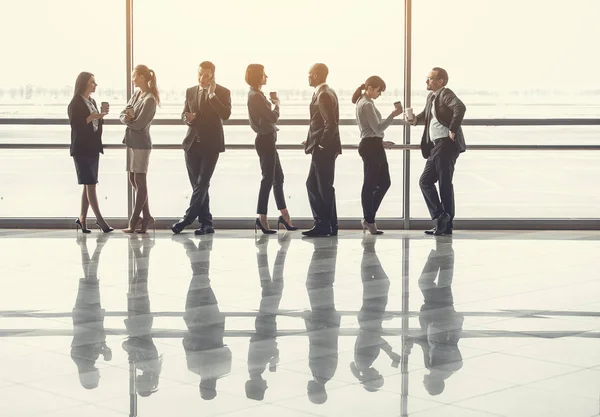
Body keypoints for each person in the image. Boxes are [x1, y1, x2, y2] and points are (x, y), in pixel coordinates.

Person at [172, 61, 232, 235]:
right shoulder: (190, 91)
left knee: (202, 183)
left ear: (212, 75)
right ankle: (207, 223)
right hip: (191, 145)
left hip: (211, 145)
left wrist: (212, 95)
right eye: (200, 73)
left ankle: (187, 219)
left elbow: (225, 115)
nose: (202, 77)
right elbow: (184, 113)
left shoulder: (222, 92)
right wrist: (187, 118)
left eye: (206, 75)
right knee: (198, 186)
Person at [406, 67, 467, 235]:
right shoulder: (431, 97)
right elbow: (427, 116)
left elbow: (460, 107)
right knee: (426, 181)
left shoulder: (445, 94)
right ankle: (442, 218)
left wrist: (453, 129)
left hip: (446, 144)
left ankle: (445, 222)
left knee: (444, 183)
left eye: (430, 78)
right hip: (436, 146)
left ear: (440, 81)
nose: (427, 81)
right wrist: (413, 119)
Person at [245, 64, 298, 234]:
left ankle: (284, 215)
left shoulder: (256, 95)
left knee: (278, 177)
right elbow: (273, 117)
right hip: (265, 140)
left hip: (267, 140)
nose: (266, 77)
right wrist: (277, 104)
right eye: (263, 75)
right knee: (268, 178)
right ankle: (262, 217)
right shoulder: (256, 97)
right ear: (257, 76)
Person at [352, 76, 403, 234]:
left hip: (374, 145)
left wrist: (380, 141)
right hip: (371, 147)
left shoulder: (366, 102)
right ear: (370, 88)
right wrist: (393, 115)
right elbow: (377, 128)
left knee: (383, 182)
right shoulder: (366, 104)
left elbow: (373, 131)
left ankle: (369, 218)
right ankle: (369, 220)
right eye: (378, 90)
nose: (380, 94)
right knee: (370, 185)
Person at [68, 72, 113, 233]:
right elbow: (77, 126)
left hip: (92, 148)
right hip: (82, 149)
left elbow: (95, 126)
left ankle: (82, 219)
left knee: (89, 184)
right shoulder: (75, 103)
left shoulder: (91, 101)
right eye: (92, 82)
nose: (95, 85)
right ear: (84, 83)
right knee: (91, 184)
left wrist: (100, 116)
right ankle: (100, 221)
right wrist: (91, 117)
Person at [302, 63, 341, 237]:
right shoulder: (327, 92)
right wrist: (312, 140)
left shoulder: (323, 94)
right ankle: (326, 224)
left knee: (322, 186)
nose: (308, 77)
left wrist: (321, 144)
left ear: (317, 75)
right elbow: (319, 123)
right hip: (322, 147)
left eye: (310, 74)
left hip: (324, 149)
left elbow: (330, 123)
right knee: (317, 185)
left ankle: (326, 225)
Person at [120, 65, 159, 234]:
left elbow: (139, 124)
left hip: (141, 144)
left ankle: (135, 220)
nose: (133, 79)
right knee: (133, 180)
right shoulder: (137, 94)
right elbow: (122, 114)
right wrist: (127, 118)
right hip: (131, 142)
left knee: (140, 182)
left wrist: (128, 118)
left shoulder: (150, 99)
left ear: (142, 77)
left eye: (134, 76)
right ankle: (147, 216)